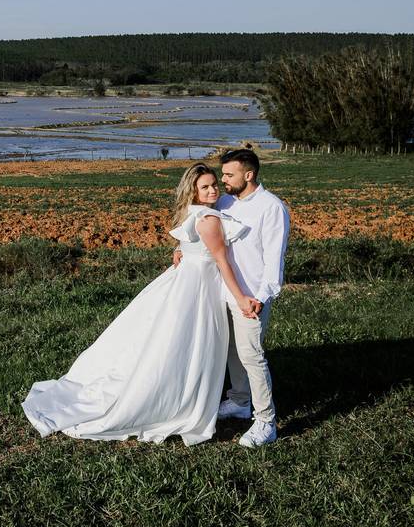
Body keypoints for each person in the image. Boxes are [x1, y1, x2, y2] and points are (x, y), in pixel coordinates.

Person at [22, 163, 260, 446]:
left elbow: (191, 243)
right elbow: (221, 262)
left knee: (174, 342)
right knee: (190, 342)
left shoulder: (196, 213)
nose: (212, 190)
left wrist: (181, 249)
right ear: (193, 192)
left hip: (188, 283)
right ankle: (173, 400)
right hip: (198, 288)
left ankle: (176, 390)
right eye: (205, 187)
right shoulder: (208, 219)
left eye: (213, 185)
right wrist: (240, 298)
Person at [178, 148, 290, 448]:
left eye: (228, 175)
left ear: (249, 175)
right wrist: (183, 250)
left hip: (250, 298)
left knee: (252, 356)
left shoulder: (271, 208)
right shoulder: (226, 201)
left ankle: (266, 422)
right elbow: (207, 234)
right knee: (230, 350)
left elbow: (273, 260)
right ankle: (240, 401)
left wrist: (261, 298)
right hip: (221, 293)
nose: (222, 181)